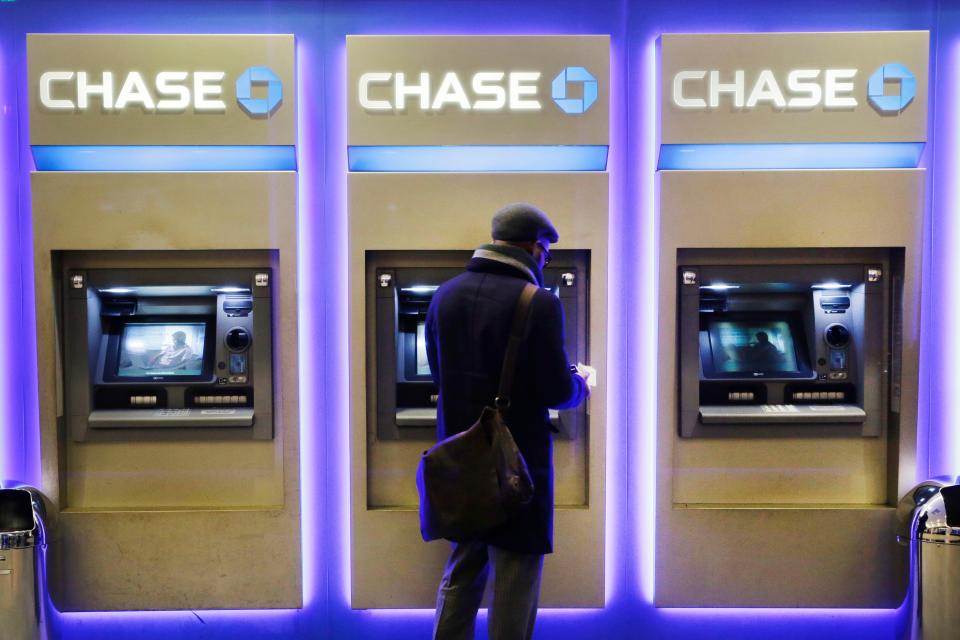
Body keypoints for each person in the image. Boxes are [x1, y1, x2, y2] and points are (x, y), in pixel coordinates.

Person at [425, 202, 591, 640]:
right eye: (547, 253)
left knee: (465, 563)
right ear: (536, 248)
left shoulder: (445, 294)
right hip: (517, 460)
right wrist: (582, 385)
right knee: (515, 572)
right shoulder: (538, 303)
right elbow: (556, 390)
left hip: (462, 454)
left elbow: (438, 373)